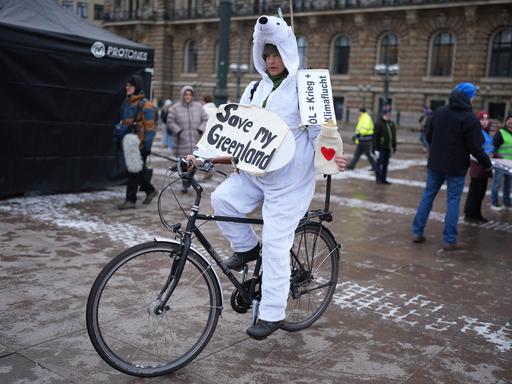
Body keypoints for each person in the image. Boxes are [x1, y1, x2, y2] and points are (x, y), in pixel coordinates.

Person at [194, 15, 347, 340]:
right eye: (266, 55)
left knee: (277, 245)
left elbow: (326, 132)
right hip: (254, 171)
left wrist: (332, 157)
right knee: (222, 199)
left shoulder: (306, 86)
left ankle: (273, 312)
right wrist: (204, 155)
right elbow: (238, 131)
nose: (271, 61)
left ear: (288, 52)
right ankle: (248, 249)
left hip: (290, 181)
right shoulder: (254, 87)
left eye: (276, 53)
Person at [411, 82, 491, 251]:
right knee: (453, 202)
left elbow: (428, 135)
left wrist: (436, 151)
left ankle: (417, 232)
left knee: (428, 196)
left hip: (435, 164)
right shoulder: (469, 118)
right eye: (473, 95)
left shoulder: (440, 112)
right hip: (456, 168)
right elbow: (476, 147)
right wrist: (486, 163)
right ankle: (449, 240)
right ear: (469, 97)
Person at [115, 75, 158, 210]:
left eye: (130, 86)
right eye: (127, 85)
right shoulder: (127, 102)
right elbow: (124, 122)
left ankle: (130, 200)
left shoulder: (146, 105)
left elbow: (150, 127)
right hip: (128, 142)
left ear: (137, 87)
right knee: (138, 171)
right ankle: (150, 190)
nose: (127, 88)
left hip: (139, 143)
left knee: (133, 172)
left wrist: (147, 146)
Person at [167, 85, 209, 193]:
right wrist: (178, 131)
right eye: (186, 94)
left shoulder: (198, 107)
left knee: (194, 164)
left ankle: (188, 180)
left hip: (196, 140)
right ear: (182, 95)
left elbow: (205, 119)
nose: (188, 96)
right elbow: (170, 121)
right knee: (185, 165)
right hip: (182, 141)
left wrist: (200, 129)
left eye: (190, 94)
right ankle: (185, 184)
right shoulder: (175, 108)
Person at [463, 111, 494, 222]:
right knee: (475, 191)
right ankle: (469, 214)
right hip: (478, 165)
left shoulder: (486, 132)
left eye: (486, 119)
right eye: (482, 119)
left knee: (481, 192)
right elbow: (473, 149)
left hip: (485, 164)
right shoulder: (476, 132)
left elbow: (489, 148)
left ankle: (477, 214)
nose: (485, 121)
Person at [490, 114, 512, 210]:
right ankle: (494, 204)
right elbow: (493, 148)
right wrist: (495, 157)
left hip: (510, 164)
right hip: (500, 163)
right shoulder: (501, 133)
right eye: (509, 121)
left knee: (508, 185)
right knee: (497, 183)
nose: (511, 123)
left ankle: (507, 203)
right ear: (506, 122)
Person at [373, 107, 397, 184]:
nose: (389, 116)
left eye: (389, 114)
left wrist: (394, 146)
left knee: (385, 165)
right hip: (380, 148)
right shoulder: (378, 123)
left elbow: (393, 136)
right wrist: (375, 149)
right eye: (387, 114)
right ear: (383, 114)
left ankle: (383, 179)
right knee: (379, 164)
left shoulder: (391, 124)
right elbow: (375, 137)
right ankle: (378, 179)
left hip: (388, 148)